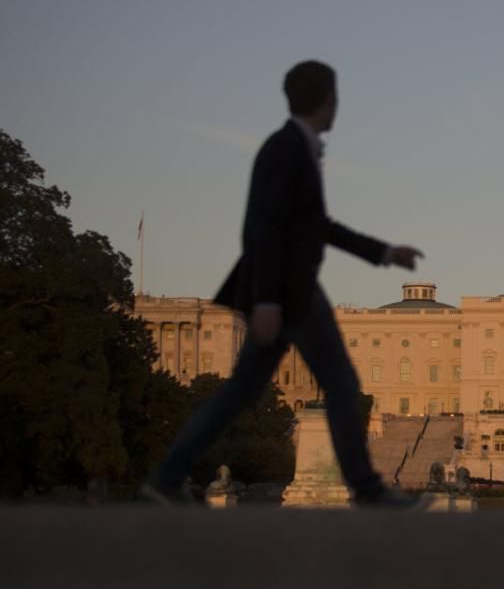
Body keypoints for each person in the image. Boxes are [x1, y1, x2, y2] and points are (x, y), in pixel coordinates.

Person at [140, 61, 423, 508]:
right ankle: (368, 490)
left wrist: (384, 253)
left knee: (240, 393)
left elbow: (317, 225)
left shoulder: (296, 147)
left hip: (287, 287)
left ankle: (166, 476)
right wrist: (269, 300)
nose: (338, 105)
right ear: (326, 100)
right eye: (336, 97)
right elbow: (262, 228)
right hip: (288, 291)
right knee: (343, 386)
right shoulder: (285, 149)